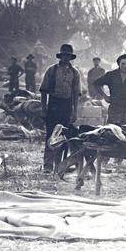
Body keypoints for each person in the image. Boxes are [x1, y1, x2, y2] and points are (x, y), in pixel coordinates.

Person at [39, 44, 81, 173]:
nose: (66, 58)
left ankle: (60, 164)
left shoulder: (74, 73)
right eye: (64, 55)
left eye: (68, 56)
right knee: (51, 135)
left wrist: (75, 112)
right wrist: (44, 108)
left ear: (70, 57)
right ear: (60, 56)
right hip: (53, 104)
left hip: (66, 105)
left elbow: (76, 94)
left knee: (64, 136)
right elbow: (43, 91)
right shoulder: (52, 70)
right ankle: (47, 164)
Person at [94, 54, 126, 125]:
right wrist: (105, 96)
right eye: (123, 64)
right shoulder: (111, 75)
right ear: (118, 64)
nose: (125, 66)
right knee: (112, 129)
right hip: (115, 106)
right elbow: (96, 84)